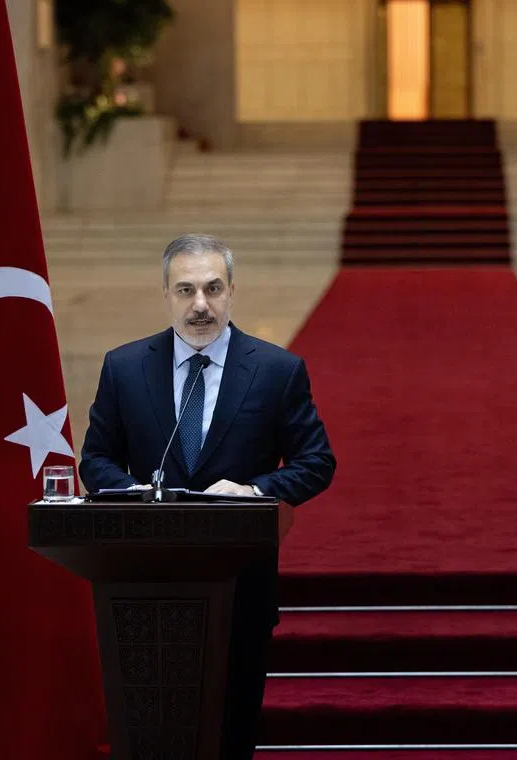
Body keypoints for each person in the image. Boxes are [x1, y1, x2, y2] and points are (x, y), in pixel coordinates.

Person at [79, 233, 336, 758]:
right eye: (187, 290)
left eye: (213, 289)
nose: (201, 305)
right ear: (167, 295)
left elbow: (317, 462)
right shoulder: (124, 368)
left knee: (231, 731)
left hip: (240, 588)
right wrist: (126, 492)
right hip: (144, 586)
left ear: (232, 291)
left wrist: (254, 489)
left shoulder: (275, 370)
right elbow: (95, 460)